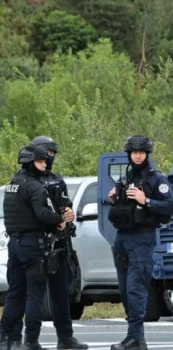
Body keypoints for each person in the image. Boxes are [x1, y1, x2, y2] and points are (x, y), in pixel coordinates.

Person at [107, 136, 173, 350]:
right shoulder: (126, 177)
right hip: (122, 238)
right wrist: (115, 198)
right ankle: (138, 339)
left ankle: (134, 338)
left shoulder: (157, 179)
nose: (137, 155)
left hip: (142, 239)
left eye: (141, 152)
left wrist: (144, 200)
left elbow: (171, 207)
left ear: (147, 154)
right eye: (134, 152)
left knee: (136, 290)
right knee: (125, 290)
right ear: (129, 154)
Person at [0, 145, 72, 350]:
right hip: (33, 246)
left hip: (15, 244)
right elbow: (43, 215)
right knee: (35, 295)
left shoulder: (13, 183)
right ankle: (30, 340)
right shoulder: (35, 187)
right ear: (30, 163)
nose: (44, 165)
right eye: (40, 162)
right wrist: (60, 220)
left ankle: (7, 338)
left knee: (15, 294)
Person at [24, 136, 88, 350]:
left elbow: (65, 204)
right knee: (36, 296)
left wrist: (68, 213)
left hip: (60, 244)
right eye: (45, 154)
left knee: (62, 294)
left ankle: (66, 338)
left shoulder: (57, 179)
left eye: (52, 154)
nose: (48, 158)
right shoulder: (27, 181)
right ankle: (31, 340)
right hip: (39, 245)